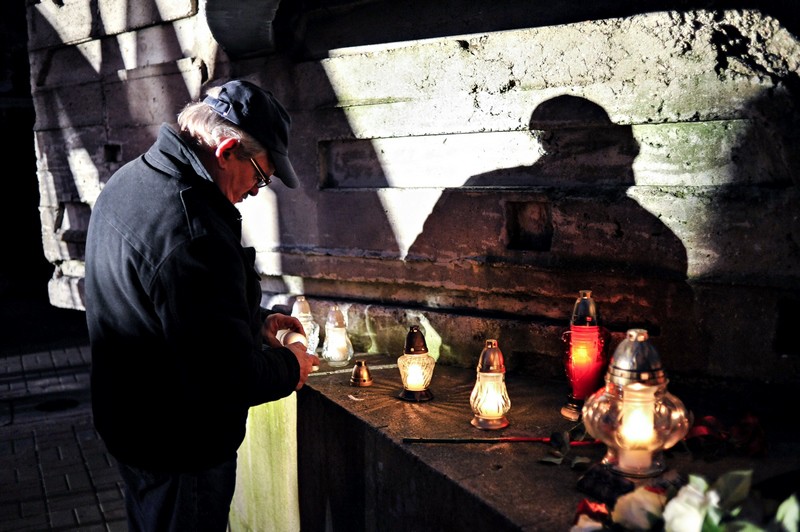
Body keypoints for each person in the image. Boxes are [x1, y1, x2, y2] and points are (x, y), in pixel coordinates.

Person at [84, 79, 319, 531]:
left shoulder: (133, 179)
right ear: (228, 149)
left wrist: (256, 321)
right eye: (261, 174)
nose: (258, 189)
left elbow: (175, 311)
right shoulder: (193, 231)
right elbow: (225, 378)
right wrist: (291, 366)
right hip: (179, 450)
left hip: (131, 426)